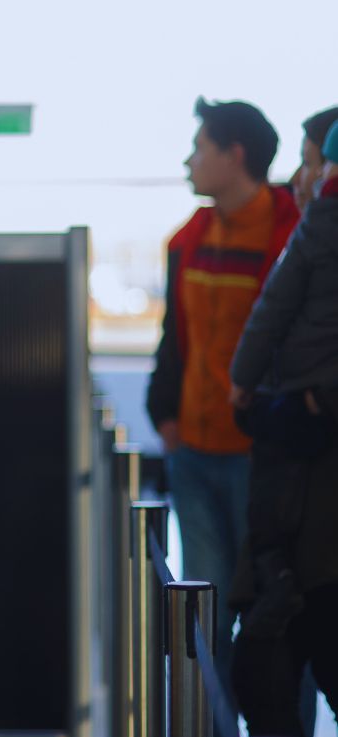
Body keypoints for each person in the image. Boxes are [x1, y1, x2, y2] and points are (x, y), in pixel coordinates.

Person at [145, 98, 299, 693]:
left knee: (270, 616)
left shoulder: (289, 239)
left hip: (261, 460)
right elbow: (174, 337)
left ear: (234, 156)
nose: (189, 161)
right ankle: (207, 729)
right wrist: (166, 416)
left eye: (200, 147)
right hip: (194, 451)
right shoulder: (188, 241)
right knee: (204, 617)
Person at [227, 115, 338, 737]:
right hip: (289, 517)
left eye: (313, 162)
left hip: (314, 530)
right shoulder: (311, 239)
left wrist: (313, 406)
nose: (301, 179)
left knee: (271, 669)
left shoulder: (311, 237)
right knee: (263, 678)